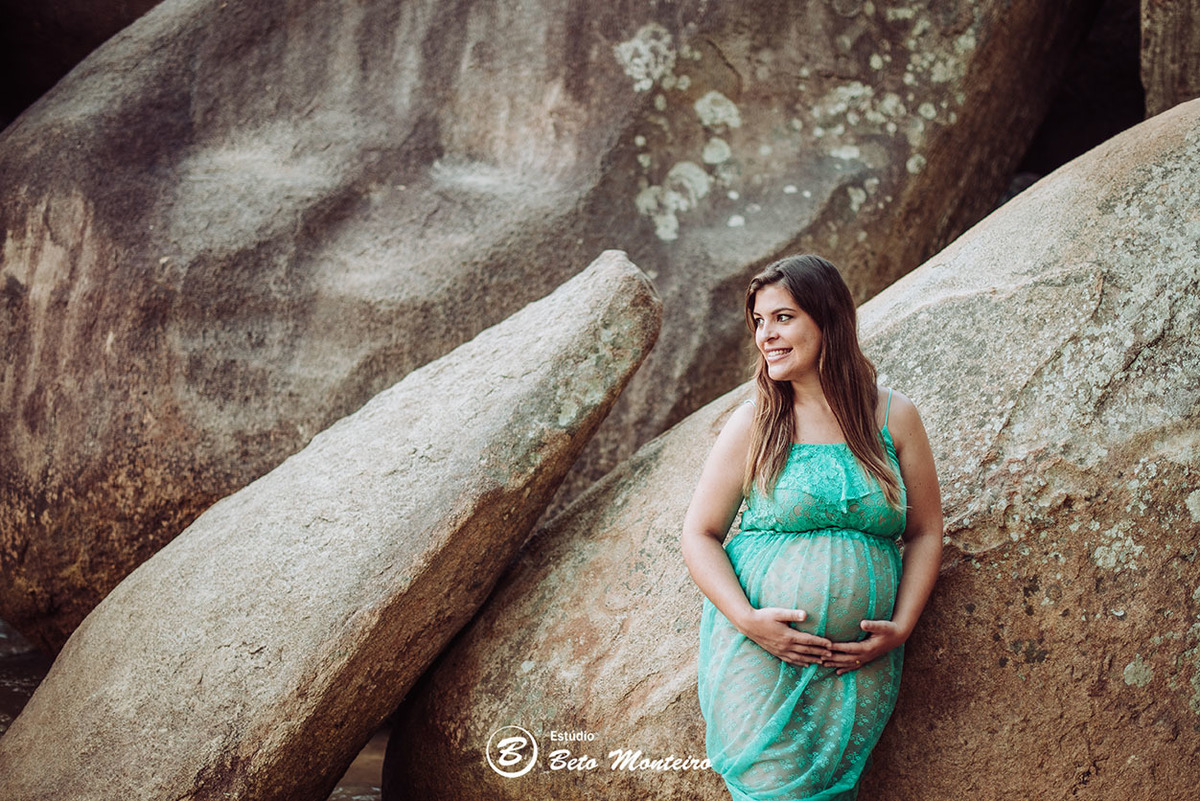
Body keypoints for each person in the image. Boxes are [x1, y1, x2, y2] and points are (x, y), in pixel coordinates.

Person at [681, 254, 942, 800]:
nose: (765, 336)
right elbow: (699, 534)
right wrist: (751, 620)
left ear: (828, 319)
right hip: (758, 649)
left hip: (856, 663)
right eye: (758, 321)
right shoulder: (754, 422)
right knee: (771, 787)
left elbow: (924, 531)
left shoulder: (894, 417)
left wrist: (902, 627)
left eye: (783, 318)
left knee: (831, 793)